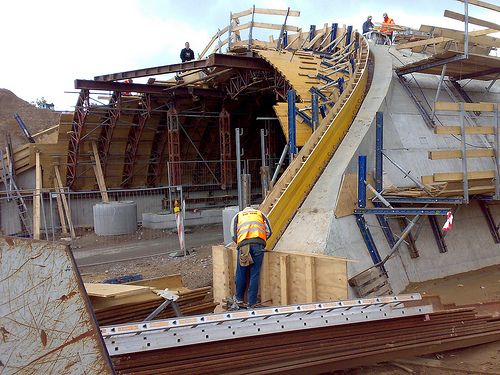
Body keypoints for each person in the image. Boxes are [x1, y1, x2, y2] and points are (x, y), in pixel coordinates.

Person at [230, 206, 272, 307]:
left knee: (241, 272)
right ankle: (251, 302)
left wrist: (240, 244)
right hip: (258, 246)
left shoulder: (238, 216)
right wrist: (261, 241)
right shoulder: (260, 215)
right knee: (255, 274)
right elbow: (269, 232)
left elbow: (233, 234)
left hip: (243, 246)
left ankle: (239, 299)